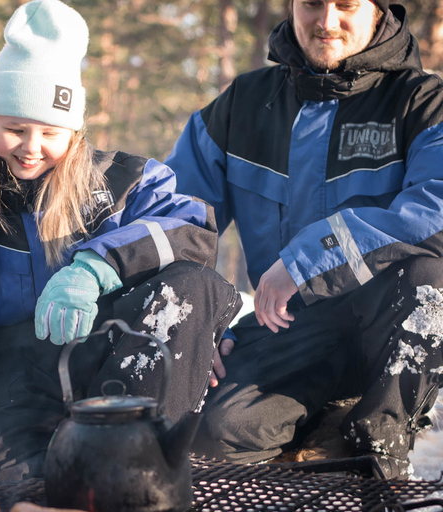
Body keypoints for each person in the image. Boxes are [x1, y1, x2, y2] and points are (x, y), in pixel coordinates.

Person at [0, 0, 241, 484]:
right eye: (15, 128)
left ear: (74, 131)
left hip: (117, 352)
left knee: (193, 284)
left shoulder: (124, 180)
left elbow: (193, 230)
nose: (31, 146)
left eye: (50, 131)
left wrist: (94, 267)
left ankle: (144, 465)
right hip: (16, 368)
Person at [164, 0, 443, 478]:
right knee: (216, 433)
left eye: (347, 5)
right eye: (313, 4)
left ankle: (378, 441)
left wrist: (306, 261)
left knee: (431, 279)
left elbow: (434, 211)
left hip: (386, 327)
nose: (327, 21)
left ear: (376, 10)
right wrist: (194, 321)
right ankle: (321, 425)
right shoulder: (242, 105)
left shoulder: (423, 102)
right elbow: (175, 220)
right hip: (289, 325)